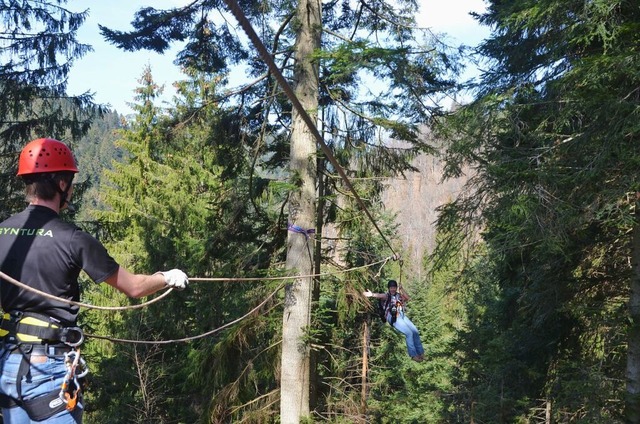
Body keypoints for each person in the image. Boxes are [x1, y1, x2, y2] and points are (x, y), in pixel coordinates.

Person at [0, 138, 189, 423]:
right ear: (61, 184)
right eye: (70, 183)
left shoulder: (3, 232)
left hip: (7, 365)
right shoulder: (73, 239)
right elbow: (134, 287)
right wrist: (166, 277)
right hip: (47, 371)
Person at [364, 279, 425, 362]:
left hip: (402, 315)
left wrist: (402, 289)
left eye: (394, 287)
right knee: (409, 333)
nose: (393, 289)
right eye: (391, 288)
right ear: (389, 288)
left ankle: (420, 353)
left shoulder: (399, 295)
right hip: (393, 317)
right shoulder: (387, 296)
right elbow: (379, 295)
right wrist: (372, 294)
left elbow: (408, 298)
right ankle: (413, 355)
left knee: (415, 331)